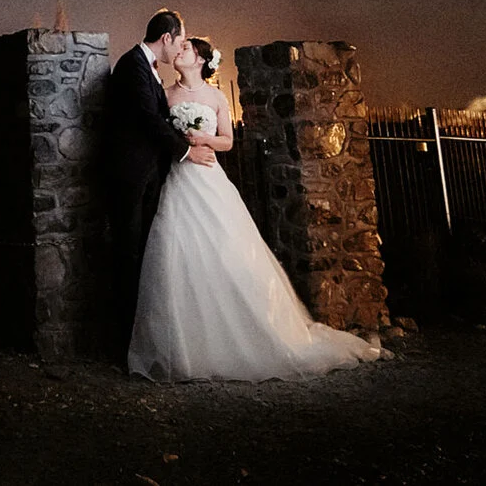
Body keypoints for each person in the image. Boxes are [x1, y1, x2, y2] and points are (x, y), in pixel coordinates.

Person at [127, 36, 388, 381]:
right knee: (176, 251)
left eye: (187, 48)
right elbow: (158, 132)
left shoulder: (216, 96)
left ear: (202, 60)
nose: (180, 51)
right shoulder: (167, 94)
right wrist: (181, 145)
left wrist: (202, 139)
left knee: (226, 249)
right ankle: (185, 347)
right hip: (177, 180)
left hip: (207, 178)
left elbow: (228, 140)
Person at [103, 9, 197, 343]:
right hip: (129, 176)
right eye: (180, 41)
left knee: (142, 250)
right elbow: (146, 118)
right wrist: (186, 150)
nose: (180, 49)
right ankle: (123, 336)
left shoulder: (148, 68)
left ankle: (141, 331)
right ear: (166, 38)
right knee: (127, 251)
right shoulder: (132, 66)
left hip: (146, 175)